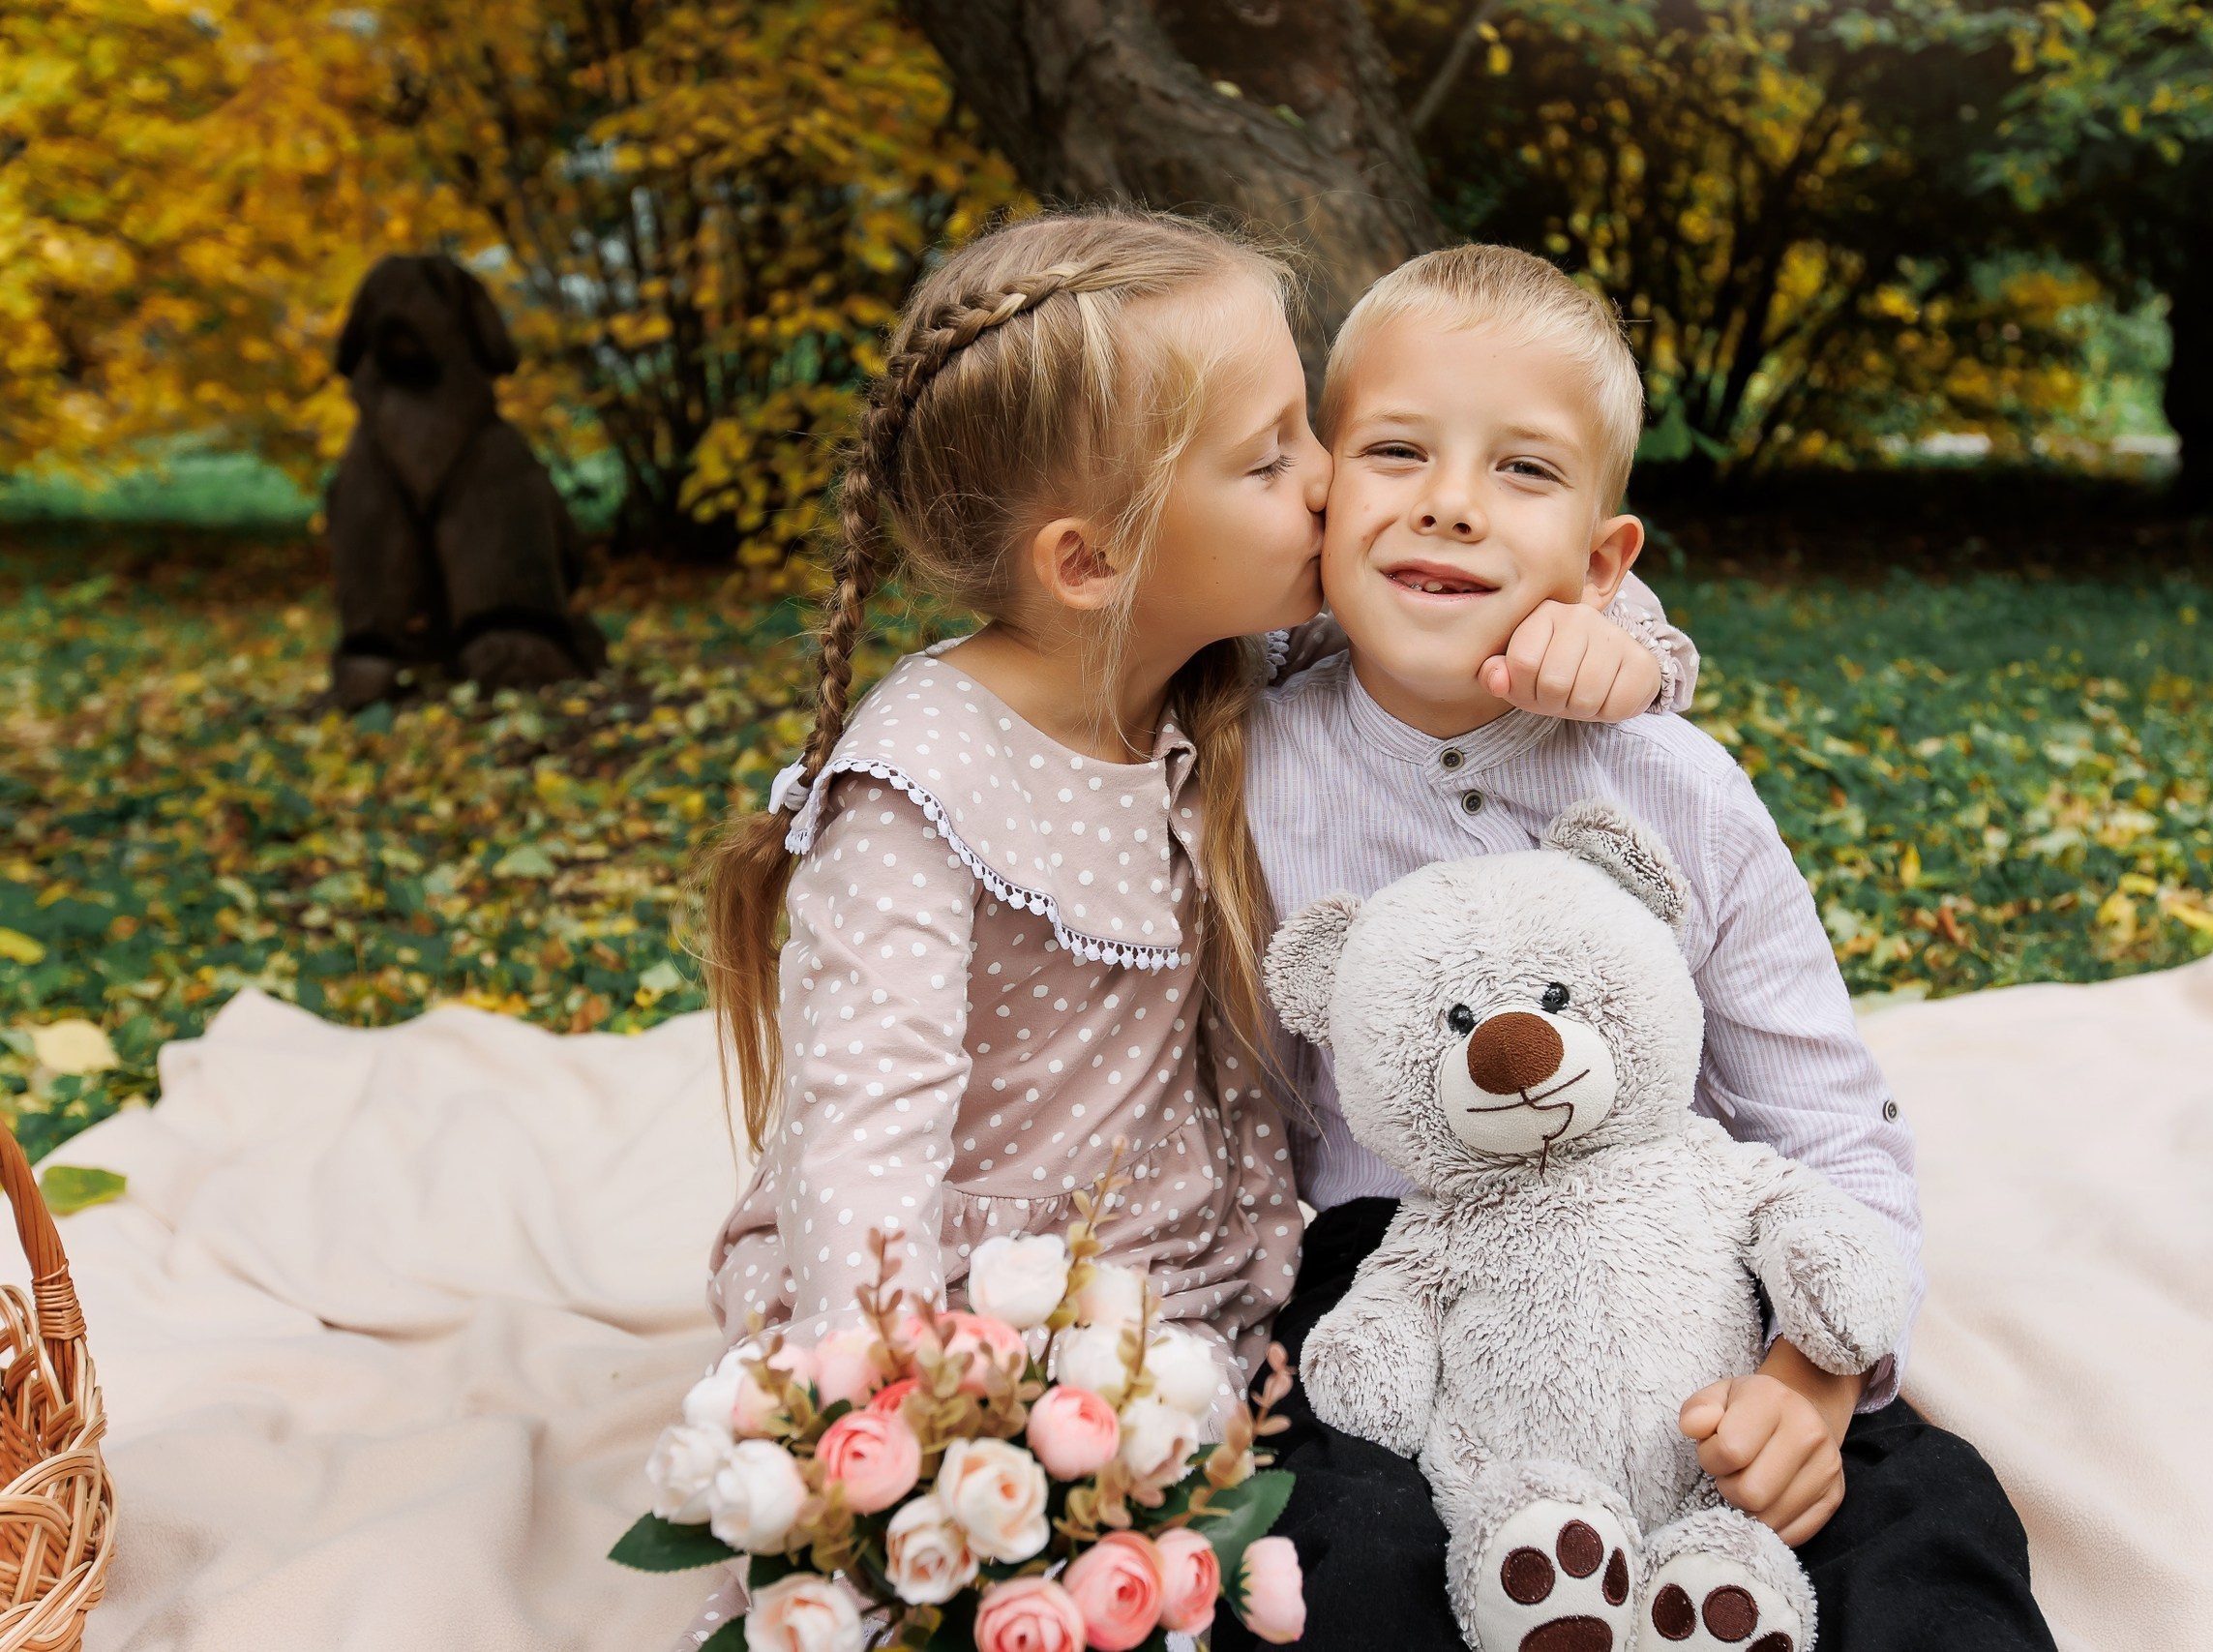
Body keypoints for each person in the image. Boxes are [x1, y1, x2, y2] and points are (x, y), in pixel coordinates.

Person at [676, 209, 1686, 1645]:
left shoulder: (1228, 659)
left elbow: (1500, 599)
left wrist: (1621, 643)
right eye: (1275, 455)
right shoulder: (921, 785)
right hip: (956, 1308)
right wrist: (896, 1411)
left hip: (1198, 1275)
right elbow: (860, 1135)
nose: (1336, 478)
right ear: (1091, 562)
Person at [1230, 245, 2056, 1652]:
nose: (1449, 502)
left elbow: (1835, 1137)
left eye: (1526, 472)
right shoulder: (1239, 766)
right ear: (1319, 502)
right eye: (1397, 451)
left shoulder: (1674, 791)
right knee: (1330, 1560)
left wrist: (1808, 1382)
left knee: (1934, 1516)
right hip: (1394, 1308)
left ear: (1605, 564)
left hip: (1694, 1278)